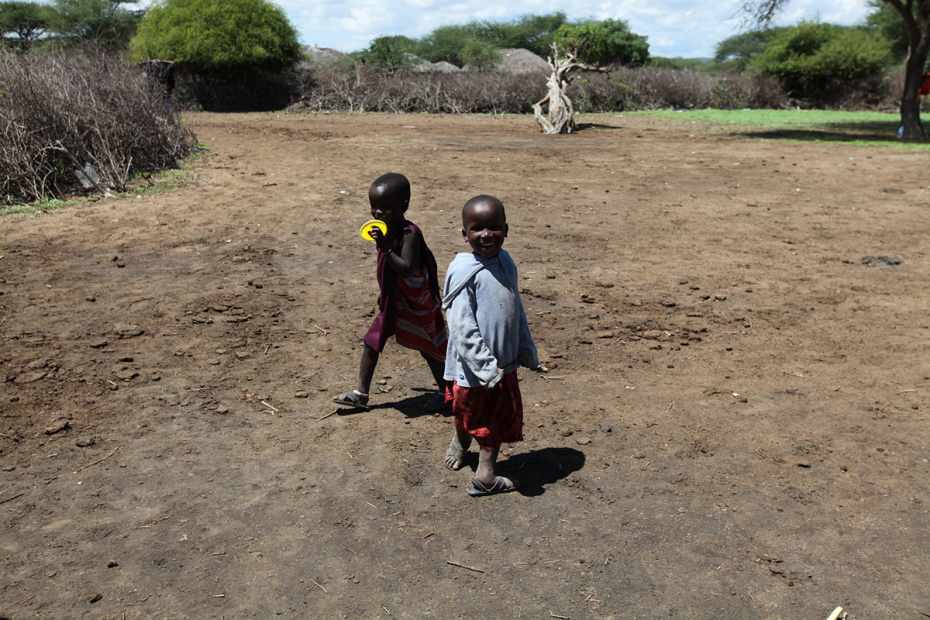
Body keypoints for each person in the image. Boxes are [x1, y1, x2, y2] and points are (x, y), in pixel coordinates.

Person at [441, 195, 544, 497]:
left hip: (502, 361)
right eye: (477, 229)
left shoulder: (506, 262)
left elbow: (516, 309)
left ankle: (461, 442)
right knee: (487, 418)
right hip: (478, 365)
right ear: (465, 234)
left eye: (494, 227)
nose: (486, 235)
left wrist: (527, 350)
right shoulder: (463, 272)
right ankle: (485, 477)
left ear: (506, 229)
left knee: (475, 411)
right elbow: (461, 326)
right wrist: (485, 366)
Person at [334, 173, 447, 410]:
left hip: (415, 302)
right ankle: (361, 394)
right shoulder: (384, 230)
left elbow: (406, 268)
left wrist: (386, 248)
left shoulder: (409, 234)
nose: (377, 214)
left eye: (384, 209)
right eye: (373, 208)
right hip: (393, 301)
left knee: (429, 347)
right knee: (372, 341)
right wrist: (384, 292)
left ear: (403, 206)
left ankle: (448, 393)